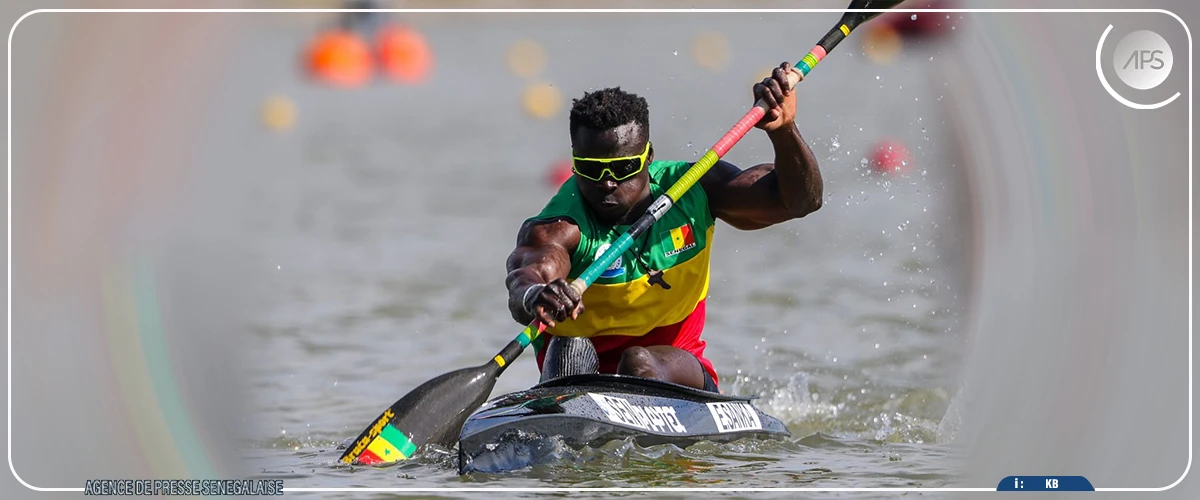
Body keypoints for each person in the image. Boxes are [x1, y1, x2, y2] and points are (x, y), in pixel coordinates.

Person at [505, 62, 823, 392]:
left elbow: (800, 201)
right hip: (574, 375)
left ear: (648, 156)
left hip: (673, 374)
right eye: (591, 169)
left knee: (637, 361)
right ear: (574, 162)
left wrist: (784, 131)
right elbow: (524, 276)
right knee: (568, 349)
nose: (608, 183)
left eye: (623, 167)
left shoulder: (693, 189)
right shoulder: (558, 227)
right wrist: (537, 294)